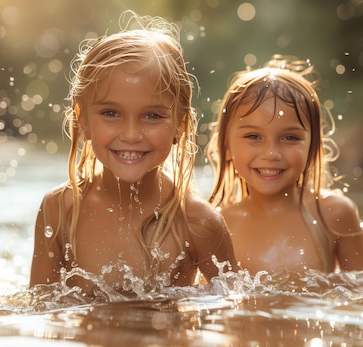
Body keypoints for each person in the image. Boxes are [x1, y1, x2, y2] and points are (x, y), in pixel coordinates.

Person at [30, 11, 236, 293]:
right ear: (83, 120)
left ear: (180, 124)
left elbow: (235, 315)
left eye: (152, 116)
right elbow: (39, 306)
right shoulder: (60, 210)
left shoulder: (198, 222)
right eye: (111, 113)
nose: (130, 134)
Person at [206, 54, 363, 275]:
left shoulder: (334, 214)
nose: (271, 153)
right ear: (225, 147)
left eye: (290, 138)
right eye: (254, 137)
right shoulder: (217, 226)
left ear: (312, 147)